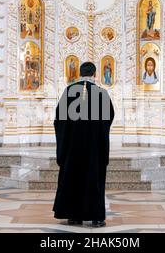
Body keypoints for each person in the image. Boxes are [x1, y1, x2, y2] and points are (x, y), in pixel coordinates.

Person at [53, 62, 115, 227]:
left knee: (73, 177)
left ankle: (74, 216)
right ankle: (96, 217)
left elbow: (58, 120)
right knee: (93, 178)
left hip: (73, 148)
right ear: (94, 74)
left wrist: (66, 140)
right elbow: (108, 118)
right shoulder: (101, 93)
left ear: (79, 74)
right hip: (94, 148)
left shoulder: (69, 92)